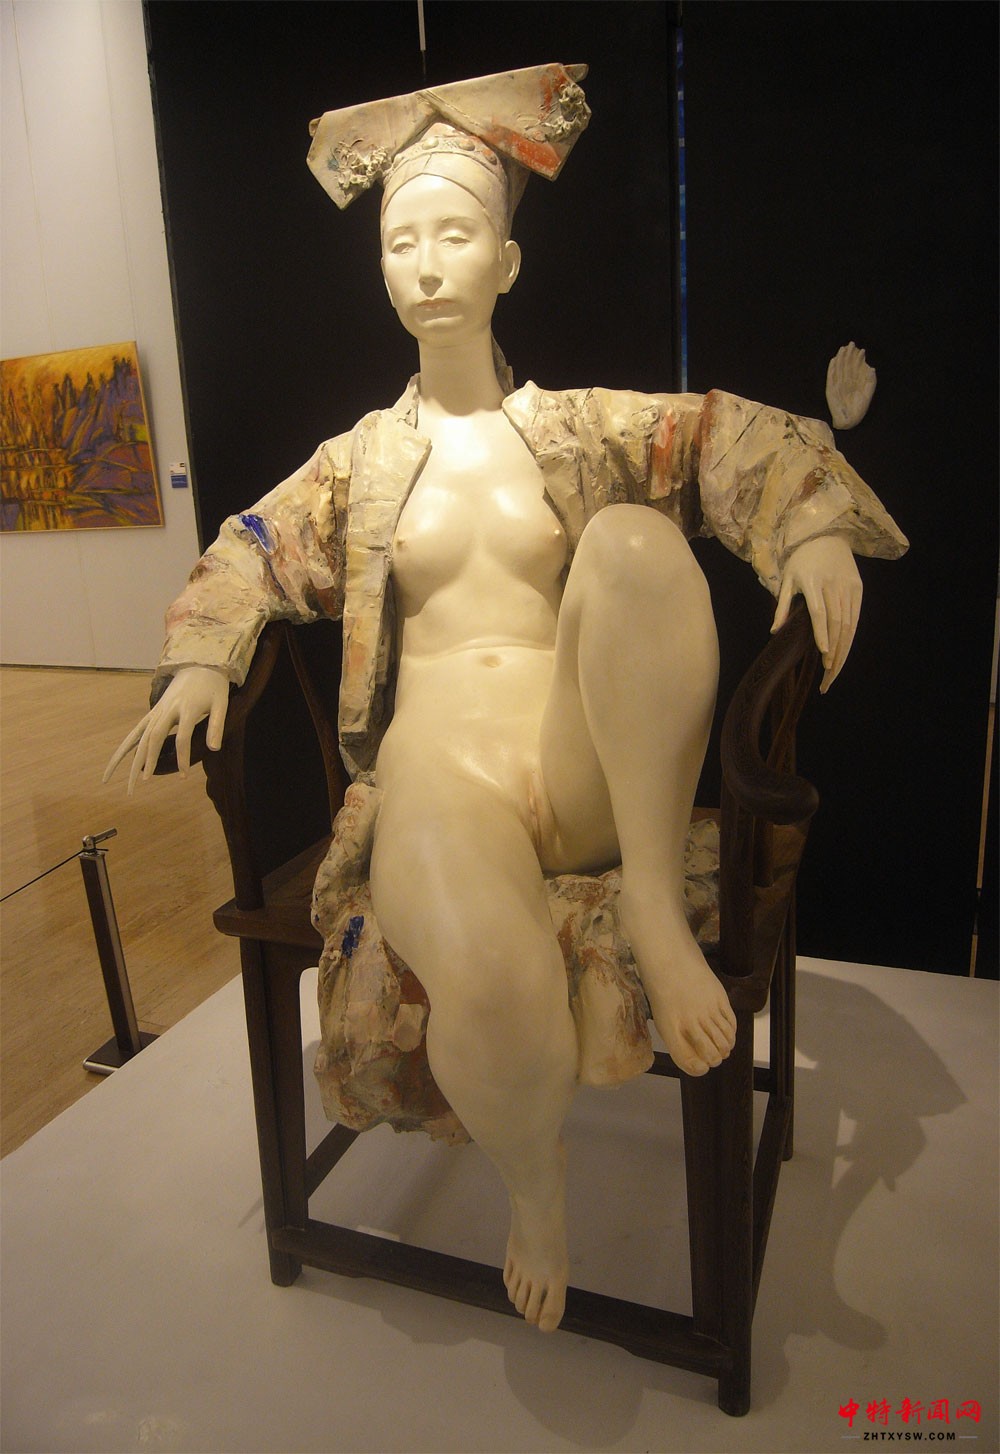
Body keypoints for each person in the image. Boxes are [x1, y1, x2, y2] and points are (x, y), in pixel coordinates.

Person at [106, 66, 907, 1335]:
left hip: (584, 772)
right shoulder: (359, 464)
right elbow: (250, 547)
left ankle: (651, 905)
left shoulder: (579, 429)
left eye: (455, 234)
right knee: (486, 969)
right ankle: (535, 1184)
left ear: (507, 264)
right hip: (440, 783)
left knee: (635, 542)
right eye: (401, 242)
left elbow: (728, 438)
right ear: (380, 269)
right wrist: (206, 650)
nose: (428, 265)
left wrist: (807, 522)